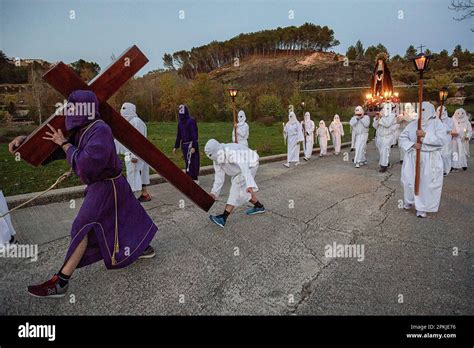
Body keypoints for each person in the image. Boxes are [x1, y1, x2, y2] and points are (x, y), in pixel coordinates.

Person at [8, 90, 158, 298]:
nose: (69, 110)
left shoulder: (100, 129)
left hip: (106, 185)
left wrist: (66, 145)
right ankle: (140, 246)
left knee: (83, 227)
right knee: (123, 217)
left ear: (85, 108)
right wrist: (26, 143)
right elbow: (58, 149)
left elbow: (88, 165)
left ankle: (61, 282)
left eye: (73, 106)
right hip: (109, 185)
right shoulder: (83, 129)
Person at [399, 102, 447, 218]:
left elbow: (441, 140)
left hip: (429, 158)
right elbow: (402, 137)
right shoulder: (413, 124)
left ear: (431, 110)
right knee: (408, 180)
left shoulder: (437, 124)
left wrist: (425, 135)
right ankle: (409, 200)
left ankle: (422, 207)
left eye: (424, 110)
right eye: (420, 110)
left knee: (425, 183)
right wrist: (412, 145)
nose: (422, 112)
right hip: (413, 156)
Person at [205, 139, 265, 228]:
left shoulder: (231, 152)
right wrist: (214, 193)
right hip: (240, 170)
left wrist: (249, 185)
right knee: (241, 190)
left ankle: (223, 217)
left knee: (236, 185)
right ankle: (259, 206)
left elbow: (244, 166)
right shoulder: (216, 159)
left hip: (251, 164)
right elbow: (219, 177)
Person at [115, 102, 151, 202]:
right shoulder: (130, 122)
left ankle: (132, 198)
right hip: (131, 153)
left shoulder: (136, 122)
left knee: (134, 174)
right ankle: (144, 194)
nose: (123, 113)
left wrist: (135, 155)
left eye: (125, 110)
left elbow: (138, 140)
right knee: (136, 173)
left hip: (135, 154)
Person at [173, 104, 200, 182]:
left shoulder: (191, 121)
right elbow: (179, 135)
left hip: (191, 144)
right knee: (187, 161)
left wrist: (194, 146)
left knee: (193, 161)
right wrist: (176, 146)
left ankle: (194, 178)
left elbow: (194, 134)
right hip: (184, 145)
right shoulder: (180, 123)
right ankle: (189, 177)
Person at [373, 103, 396, 173]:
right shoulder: (380, 116)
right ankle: (386, 162)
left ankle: (384, 166)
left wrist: (381, 117)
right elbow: (374, 126)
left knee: (385, 150)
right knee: (381, 151)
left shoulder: (392, 116)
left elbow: (387, 124)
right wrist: (377, 119)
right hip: (379, 136)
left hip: (387, 137)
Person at [437, 105, 454, 176]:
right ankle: (440, 169)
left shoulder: (449, 120)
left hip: (446, 140)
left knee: (446, 155)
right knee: (438, 155)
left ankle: (446, 169)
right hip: (438, 140)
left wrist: (442, 123)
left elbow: (449, 129)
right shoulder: (435, 120)